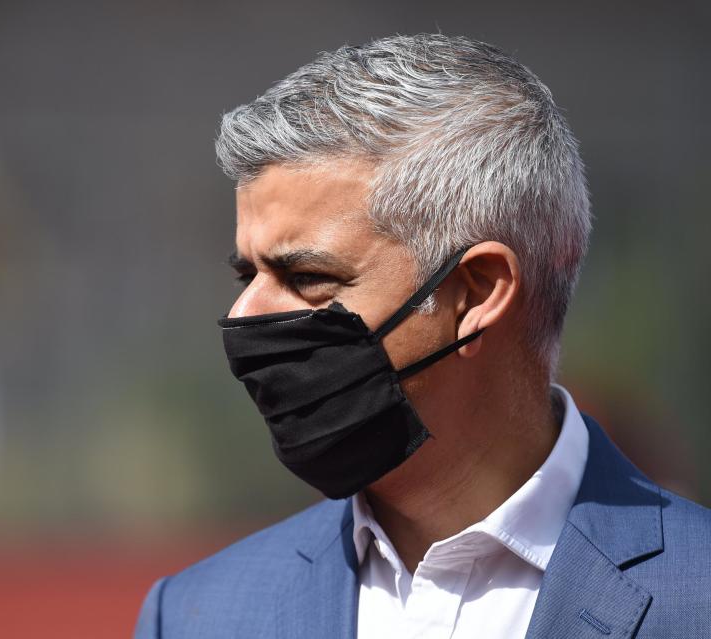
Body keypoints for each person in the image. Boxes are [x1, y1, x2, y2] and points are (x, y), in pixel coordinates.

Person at [134, 34, 711, 638]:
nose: (246, 315)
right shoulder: (196, 615)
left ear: (478, 292)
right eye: (247, 273)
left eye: (306, 277)